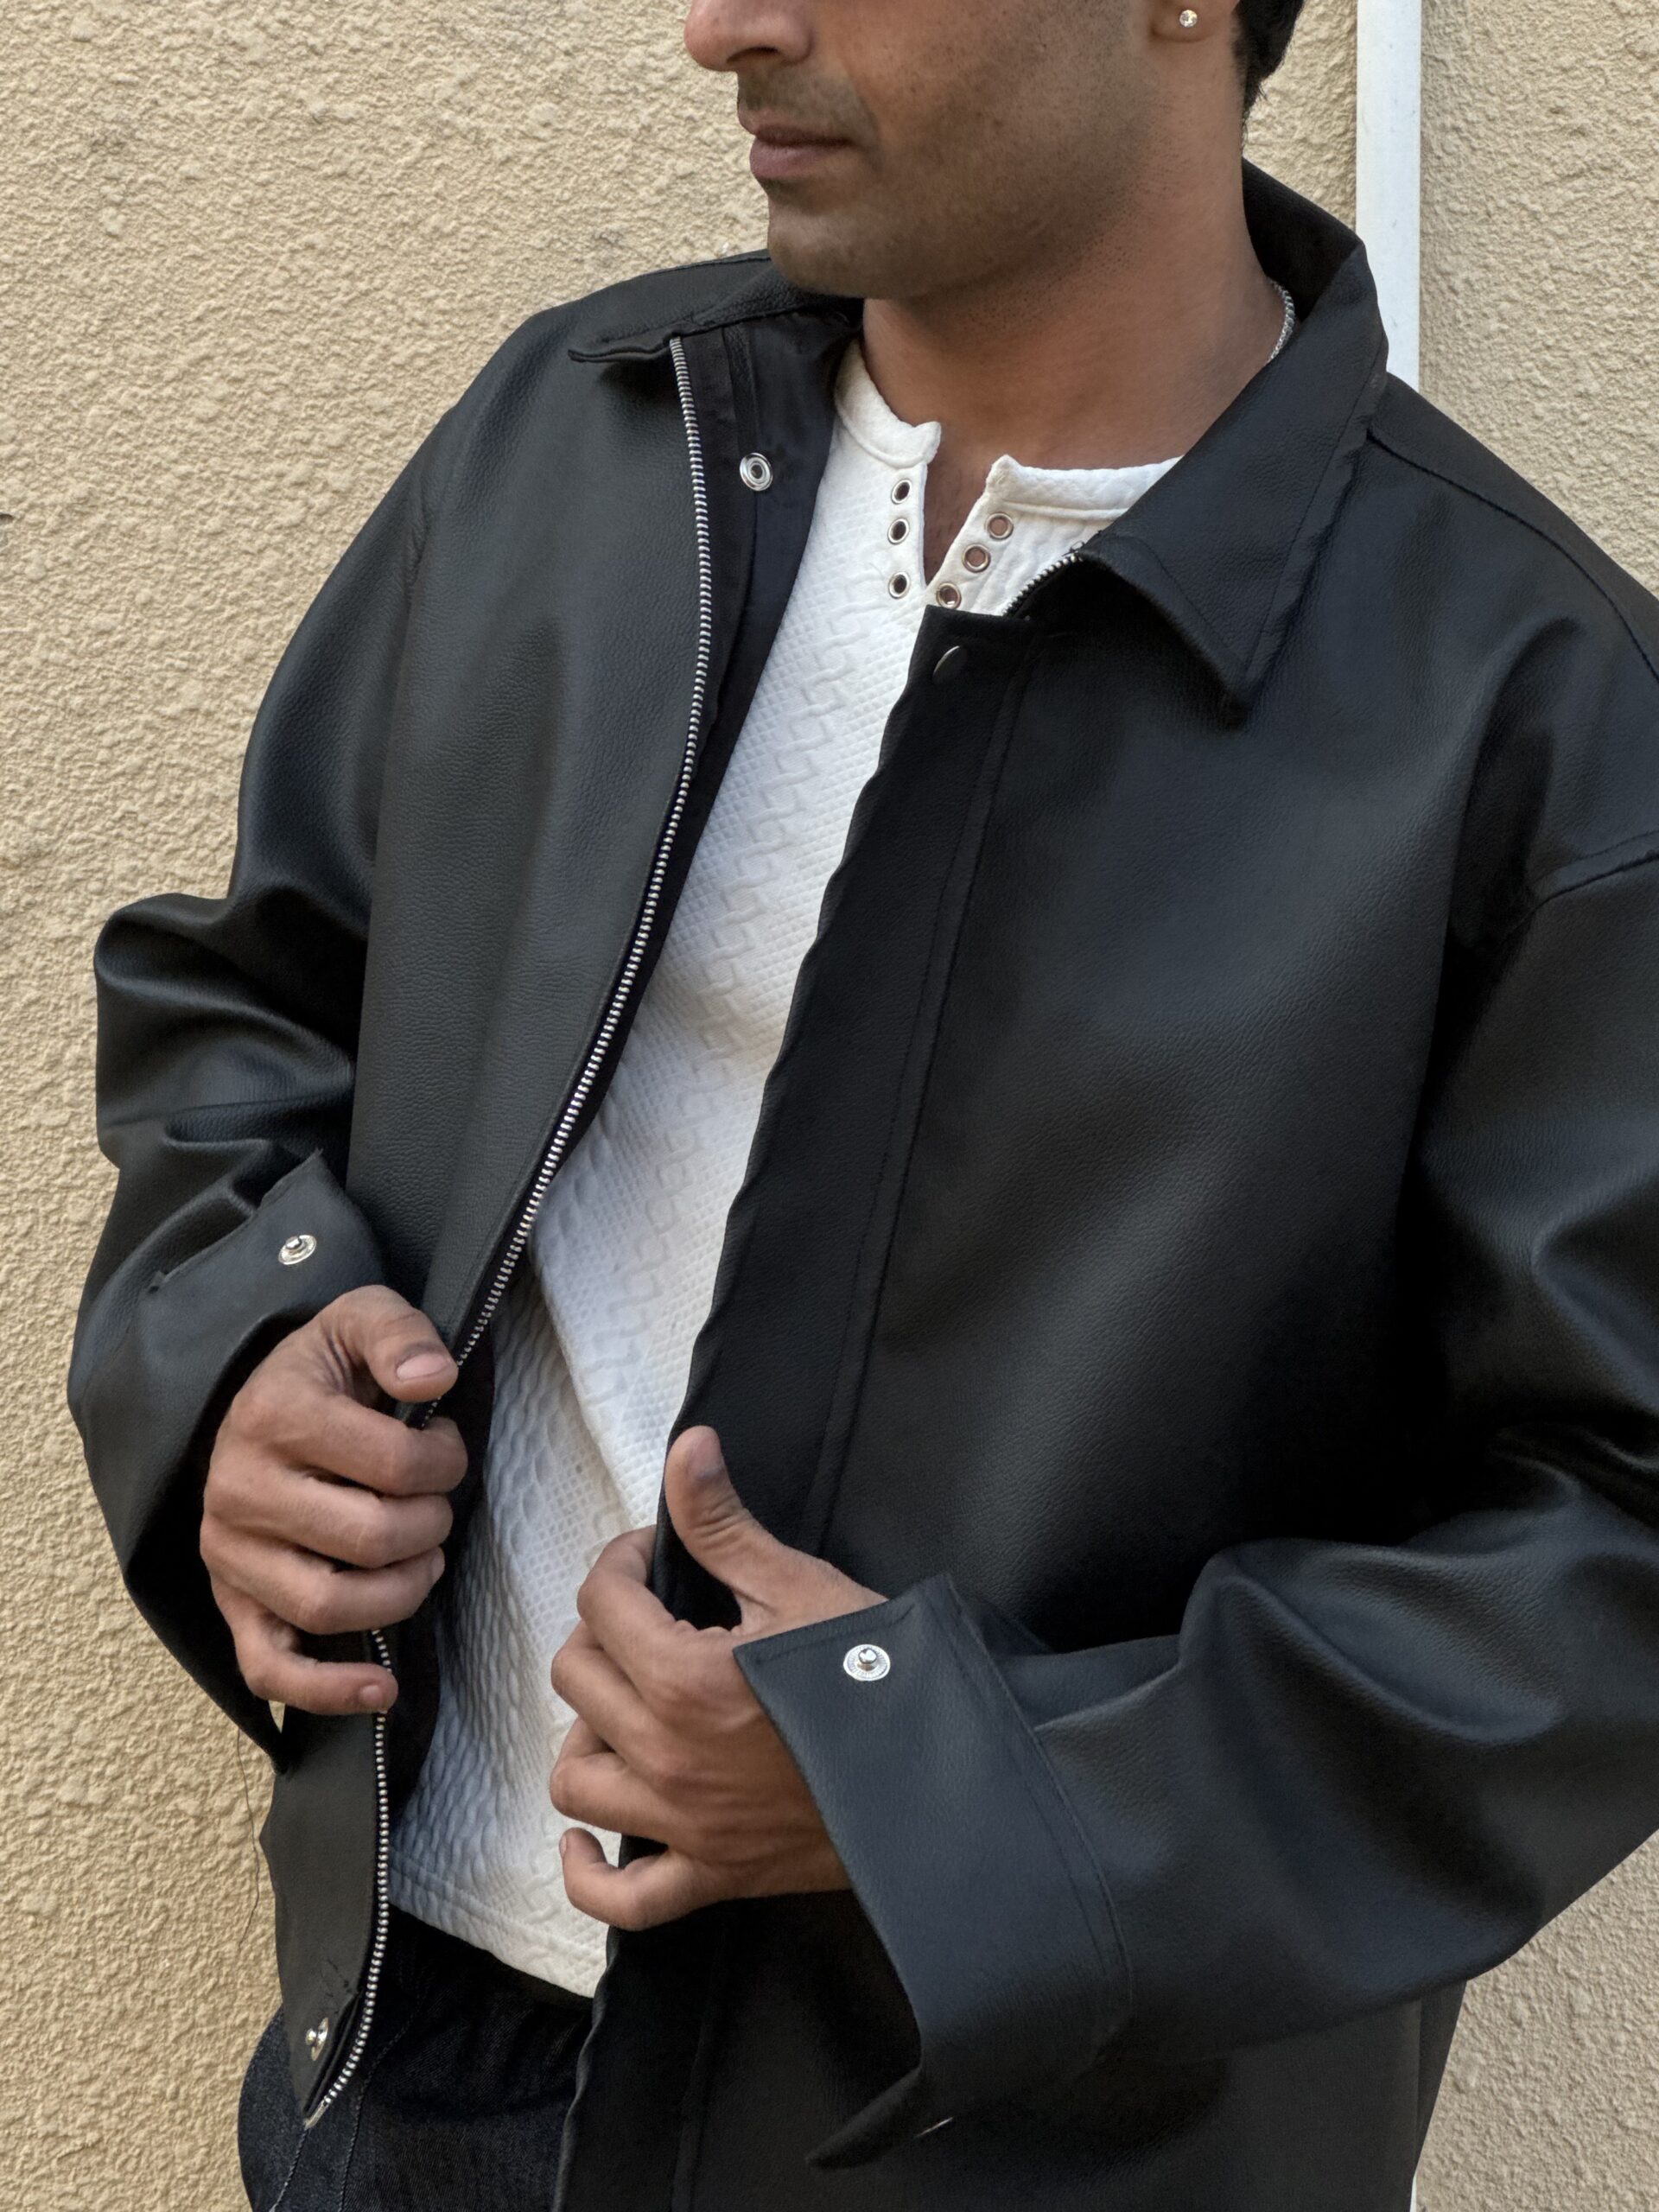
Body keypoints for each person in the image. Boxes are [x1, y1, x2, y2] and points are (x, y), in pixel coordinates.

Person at [68, 0, 1659, 2205]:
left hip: (1012, 2148)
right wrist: (248, 1350)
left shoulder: (1532, 710)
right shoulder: (581, 442)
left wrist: (946, 1787)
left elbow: (1608, 1546)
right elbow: (248, 1000)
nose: (726, 23)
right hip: (413, 2066)